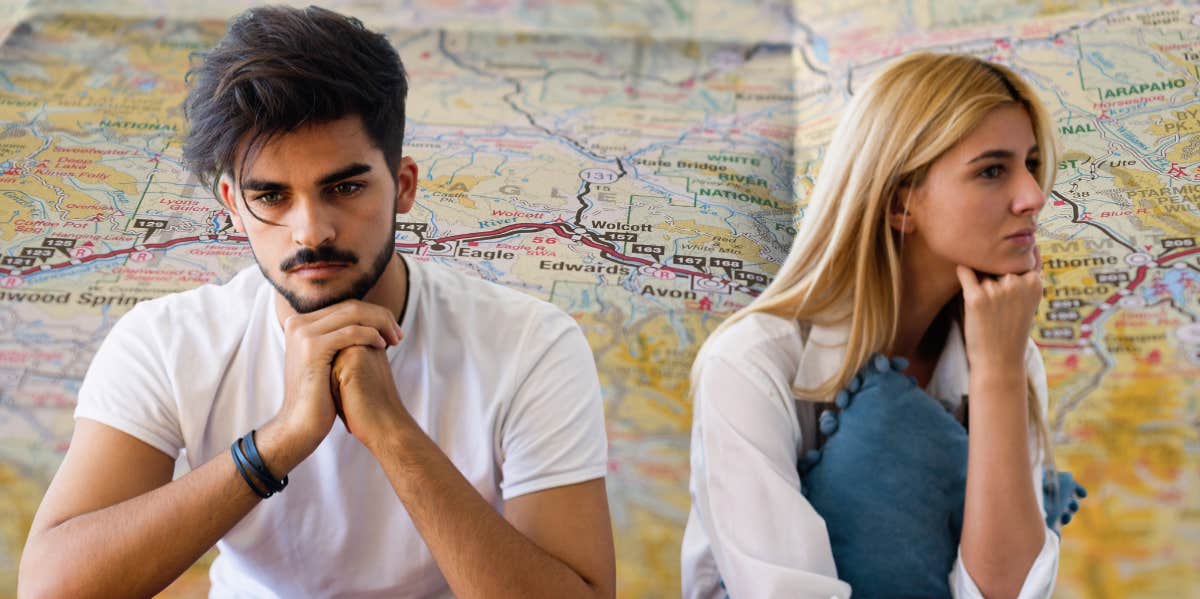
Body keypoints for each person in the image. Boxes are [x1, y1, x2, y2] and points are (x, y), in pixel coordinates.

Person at [19, 6, 615, 598]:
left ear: (403, 186)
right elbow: (50, 589)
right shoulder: (168, 341)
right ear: (232, 204)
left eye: (345, 187)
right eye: (272, 197)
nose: (311, 231)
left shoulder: (528, 344)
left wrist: (393, 435)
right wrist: (279, 441)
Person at [682, 52, 1072, 598]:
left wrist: (1000, 375)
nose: (1032, 196)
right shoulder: (751, 362)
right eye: (991, 170)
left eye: (1031, 163)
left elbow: (1006, 593)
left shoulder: (1006, 350)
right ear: (898, 204)